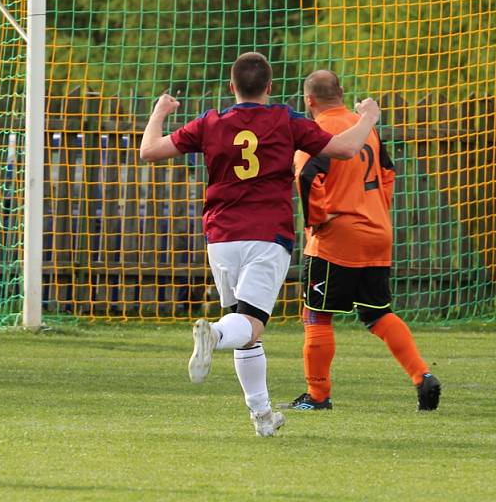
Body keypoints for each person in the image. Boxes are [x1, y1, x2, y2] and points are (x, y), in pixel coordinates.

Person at [139, 52, 381, 437]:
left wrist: (160, 110)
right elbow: (346, 149)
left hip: (221, 238)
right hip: (267, 236)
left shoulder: (211, 122)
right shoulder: (285, 120)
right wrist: (368, 116)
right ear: (270, 87)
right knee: (247, 326)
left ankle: (262, 415)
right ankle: (214, 334)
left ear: (232, 87)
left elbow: (148, 151)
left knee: (246, 327)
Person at [284, 69, 441, 411]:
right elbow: (388, 171)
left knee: (316, 316)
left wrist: (318, 219)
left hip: (336, 238)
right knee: (377, 313)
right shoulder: (364, 128)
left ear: (309, 100)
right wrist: (374, 209)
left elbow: (309, 175)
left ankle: (317, 396)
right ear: (340, 93)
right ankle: (422, 376)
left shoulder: (316, 132)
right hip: (376, 231)